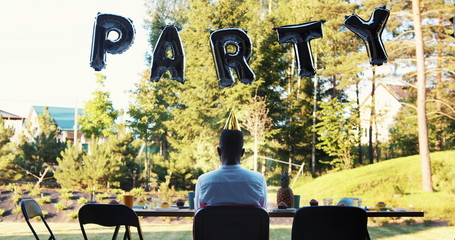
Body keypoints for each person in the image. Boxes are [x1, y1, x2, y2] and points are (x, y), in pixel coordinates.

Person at [194, 112, 268, 210]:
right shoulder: (258, 181)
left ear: (219, 151)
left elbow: (199, 218)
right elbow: (263, 217)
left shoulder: (204, 181)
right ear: (242, 152)